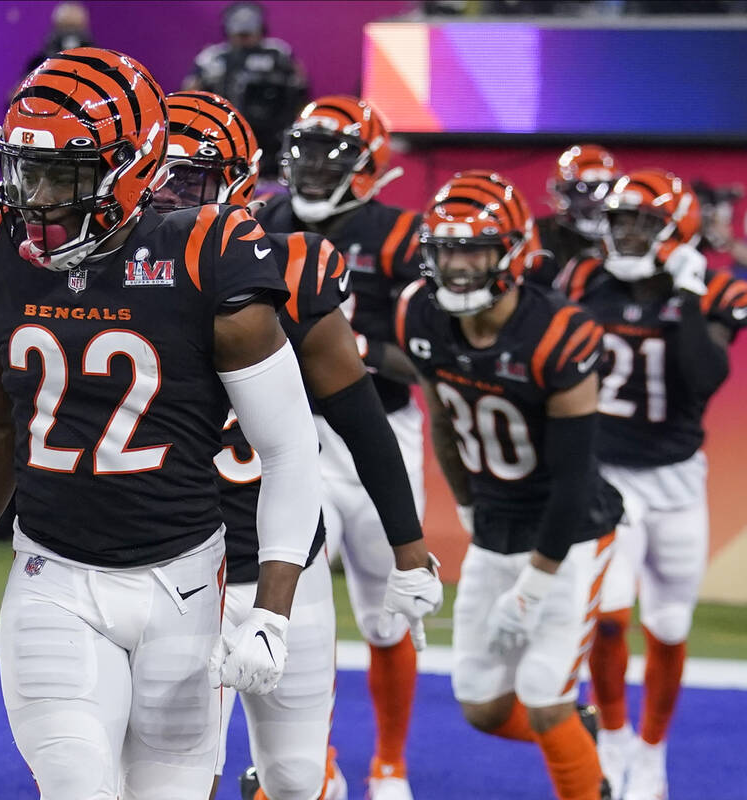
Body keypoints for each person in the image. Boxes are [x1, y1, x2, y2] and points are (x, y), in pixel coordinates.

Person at [0, 48, 329, 799]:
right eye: (25, 172)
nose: (37, 200)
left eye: (65, 177)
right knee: (77, 784)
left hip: (183, 580)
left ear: (135, 168)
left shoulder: (209, 251)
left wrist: (273, 608)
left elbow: (289, 448)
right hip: (54, 574)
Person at [154, 90, 441, 800]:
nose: (173, 197)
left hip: (307, 461)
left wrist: (411, 545)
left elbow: (394, 383)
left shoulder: (310, 260)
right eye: (163, 177)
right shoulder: (121, 270)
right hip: (182, 541)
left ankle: (387, 762)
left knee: (300, 756)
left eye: (194, 180)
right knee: (176, 770)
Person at [397, 170, 623, 800]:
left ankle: (586, 776)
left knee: (545, 699)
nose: (458, 265)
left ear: (513, 251)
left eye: (474, 248)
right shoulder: (419, 311)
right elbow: (442, 420)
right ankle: (581, 739)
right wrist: (470, 512)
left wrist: (538, 582)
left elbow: (576, 474)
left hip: (570, 534)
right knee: (481, 706)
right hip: (495, 525)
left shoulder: (558, 332)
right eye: (446, 248)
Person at [252, 94, 429, 800]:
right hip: (289, 432)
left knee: (388, 619)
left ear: (367, 165)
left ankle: (389, 761)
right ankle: (311, 755)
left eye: (332, 154)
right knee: (293, 601)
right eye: (306, 152)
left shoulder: (401, 235)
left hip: (378, 428)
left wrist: (350, 348)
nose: (315, 169)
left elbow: (428, 354)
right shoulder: (263, 221)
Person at [556, 169, 746, 800]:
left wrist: (686, 297)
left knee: (667, 625)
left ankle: (652, 754)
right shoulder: (583, 279)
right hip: (609, 482)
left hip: (678, 483)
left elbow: (702, 377)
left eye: (645, 223)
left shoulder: (714, 290)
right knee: (608, 620)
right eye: (622, 221)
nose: (629, 234)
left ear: (677, 233)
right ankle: (612, 740)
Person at [183, 2, 307, 179]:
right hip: (225, 133)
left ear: (261, 30)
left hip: (274, 136)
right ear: (228, 31)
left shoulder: (278, 53)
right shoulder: (213, 58)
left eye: (248, 35)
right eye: (240, 35)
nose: (244, 41)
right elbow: (189, 96)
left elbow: (301, 87)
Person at [534, 144, 622, 288]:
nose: (595, 202)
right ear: (563, 192)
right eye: (582, 192)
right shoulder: (540, 237)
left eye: (606, 190)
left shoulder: (628, 235)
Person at [24, 2, 94, 73]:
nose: (70, 32)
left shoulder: (97, 65)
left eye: (75, 27)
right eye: (65, 26)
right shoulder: (38, 64)